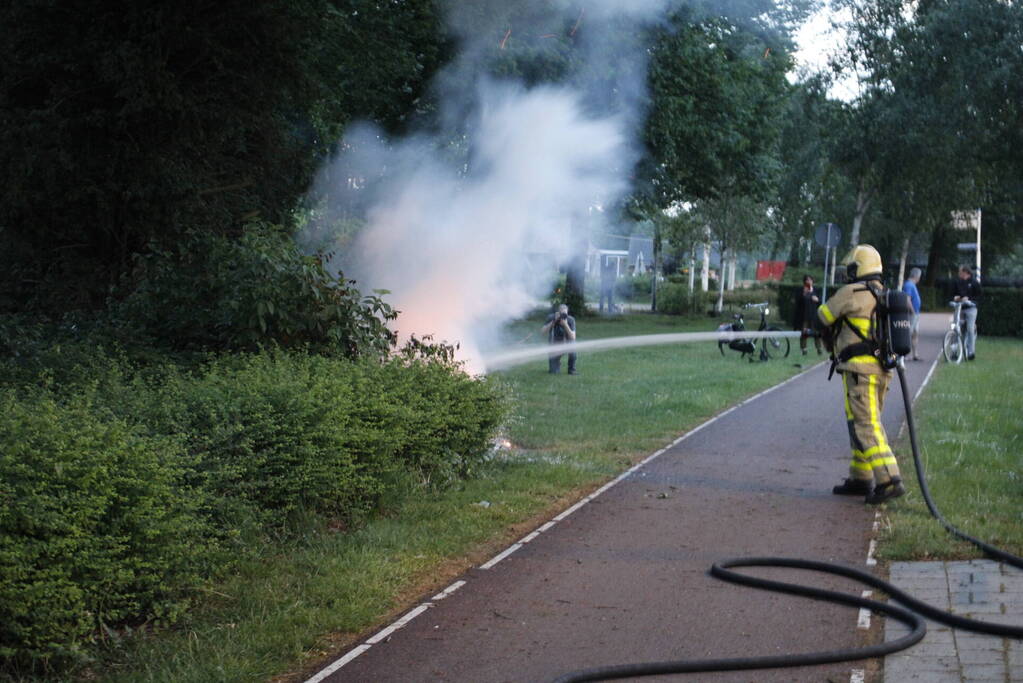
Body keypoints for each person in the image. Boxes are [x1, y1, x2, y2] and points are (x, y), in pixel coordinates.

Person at [817, 244, 905, 505]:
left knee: (866, 425)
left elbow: (822, 316)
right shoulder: (882, 293)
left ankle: (889, 479)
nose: (848, 273)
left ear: (859, 268)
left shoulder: (851, 292)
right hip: (880, 370)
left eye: (851, 268)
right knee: (859, 421)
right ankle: (860, 477)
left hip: (860, 371)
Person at [953, 265, 981, 361]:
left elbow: (979, 297)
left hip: (971, 308)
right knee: (956, 328)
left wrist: (969, 299)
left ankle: (971, 352)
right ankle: (954, 352)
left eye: (960, 271)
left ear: (966, 272)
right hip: (959, 308)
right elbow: (953, 293)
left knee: (970, 328)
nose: (959, 273)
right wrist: (956, 298)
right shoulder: (957, 282)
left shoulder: (974, 283)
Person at [543, 303, 577, 374]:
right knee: (553, 372)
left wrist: (565, 325)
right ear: (558, 312)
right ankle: (557, 362)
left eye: (565, 314)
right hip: (554, 344)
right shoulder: (551, 317)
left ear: (567, 313)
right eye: (561, 314)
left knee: (573, 348)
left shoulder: (570, 320)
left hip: (567, 343)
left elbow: (573, 337)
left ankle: (572, 370)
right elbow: (543, 332)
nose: (563, 316)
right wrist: (553, 322)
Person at [794, 274, 823, 356]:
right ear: (804, 282)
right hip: (804, 316)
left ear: (812, 281)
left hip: (814, 315)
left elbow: (821, 302)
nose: (808, 282)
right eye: (807, 280)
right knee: (804, 333)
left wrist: (817, 300)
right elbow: (797, 302)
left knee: (816, 333)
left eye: (810, 280)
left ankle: (819, 349)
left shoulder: (816, 290)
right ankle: (804, 349)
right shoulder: (801, 290)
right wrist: (804, 294)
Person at [902, 267, 922, 361]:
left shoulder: (911, 285)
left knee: (915, 333)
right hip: (912, 313)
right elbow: (907, 299)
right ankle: (904, 355)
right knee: (908, 333)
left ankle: (915, 354)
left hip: (916, 313)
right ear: (916, 276)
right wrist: (912, 311)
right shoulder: (909, 285)